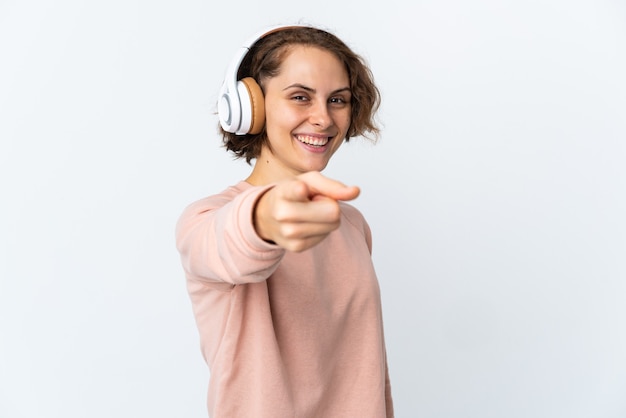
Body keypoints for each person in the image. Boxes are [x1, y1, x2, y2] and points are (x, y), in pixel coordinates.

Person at [175, 24, 394, 417]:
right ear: (250, 106)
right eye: (300, 97)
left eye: (338, 100)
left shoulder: (350, 224)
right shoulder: (206, 218)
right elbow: (232, 240)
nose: (323, 119)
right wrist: (265, 219)